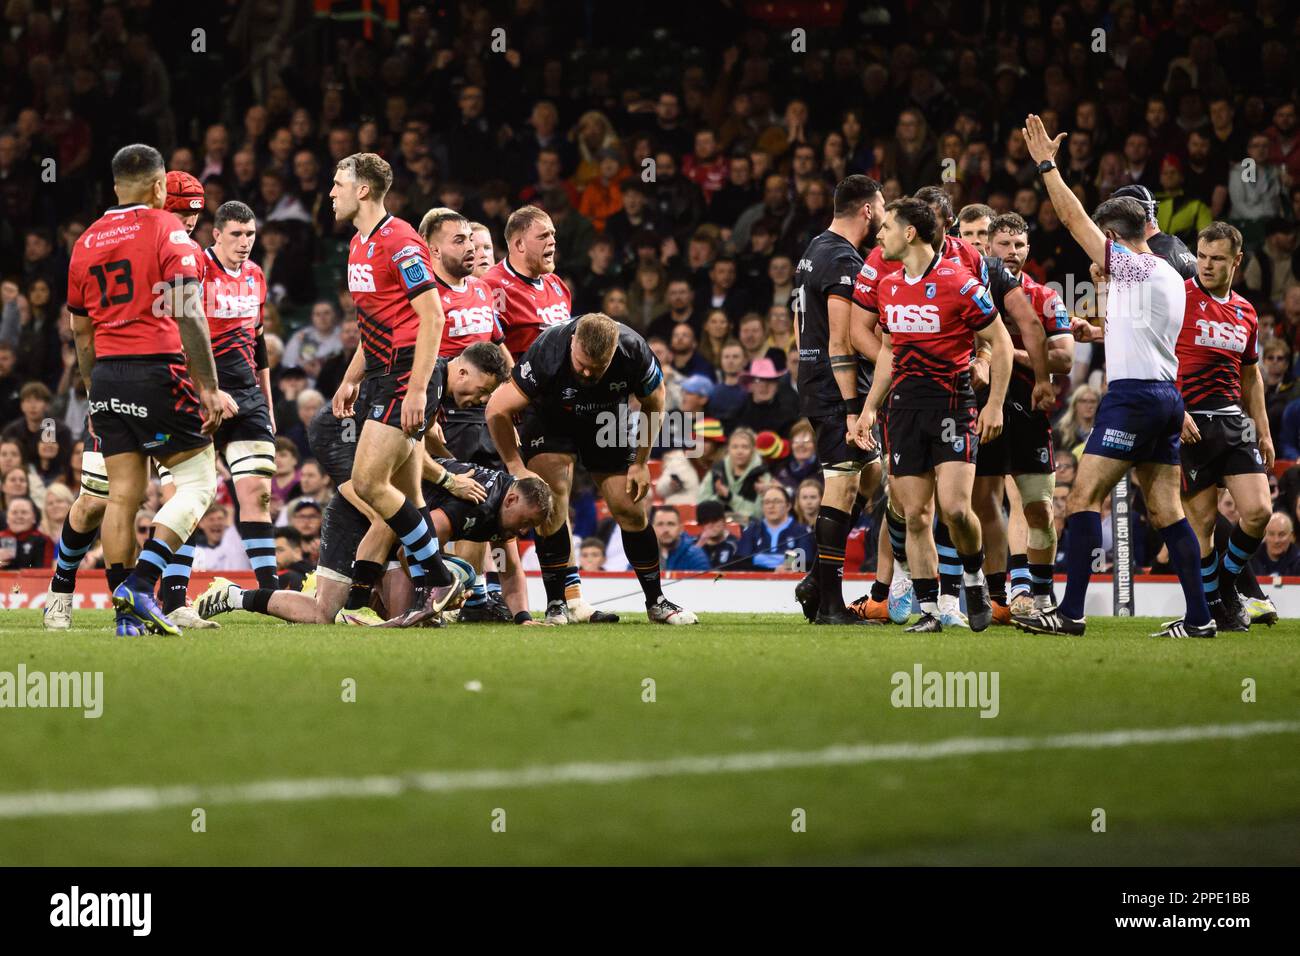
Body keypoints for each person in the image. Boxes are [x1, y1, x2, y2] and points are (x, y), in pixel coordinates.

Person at [1014, 114, 1212, 638]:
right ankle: (1200, 618)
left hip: (1134, 398)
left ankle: (1071, 613)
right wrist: (1097, 331)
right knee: (1167, 508)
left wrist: (1046, 166)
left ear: (1113, 238)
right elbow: (1146, 333)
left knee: (1081, 500)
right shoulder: (1165, 273)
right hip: (1165, 395)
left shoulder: (1135, 266)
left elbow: (1073, 219)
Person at [55, 144, 225, 635]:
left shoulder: (85, 240)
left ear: (114, 185)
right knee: (197, 481)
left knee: (122, 496)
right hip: (157, 369)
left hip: (106, 373)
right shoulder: (165, 227)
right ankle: (142, 585)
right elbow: (187, 308)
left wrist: (94, 391)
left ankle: (125, 615)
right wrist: (208, 386)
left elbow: (80, 331)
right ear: (158, 187)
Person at [855, 197, 1013, 632]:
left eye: (886, 227)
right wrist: (870, 408)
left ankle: (974, 577)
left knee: (956, 509)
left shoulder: (959, 283)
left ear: (909, 234)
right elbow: (888, 351)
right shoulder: (888, 286)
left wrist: (995, 403)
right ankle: (929, 611)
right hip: (904, 410)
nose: (879, 234)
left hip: (952, 405)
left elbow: (998, 342)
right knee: (916, 514)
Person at [486, 312, 697, 624]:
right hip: (551, 421)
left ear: (612, 354)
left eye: (595, 369)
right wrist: (516, 466)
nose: (585, 372)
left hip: (605, 421)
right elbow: (496, 409)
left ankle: (657, 602)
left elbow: (656, 402)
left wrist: (640, 463)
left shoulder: (634, 350)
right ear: (573, 343)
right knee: (553, 498)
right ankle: (556, 603)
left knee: (629, 508)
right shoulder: (549, 348)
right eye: (581, 363)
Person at [328, 151, 465, 627]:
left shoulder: (401, 240)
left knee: (368, 483)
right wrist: (351, 376)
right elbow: (377, 324)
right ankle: (429, 597)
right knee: (412, 497)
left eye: (338, 184)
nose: (332, 192)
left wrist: (417, 390)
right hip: (383, 371)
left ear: (363, 190)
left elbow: (433, 317)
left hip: (409, 374)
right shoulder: (357, 244)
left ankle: (440, 576)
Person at [200, 459, 554, 627]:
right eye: (525, 523)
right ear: (511, 501)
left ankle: (365, 602)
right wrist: (430, 596)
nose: (522, 533)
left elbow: (509, 570)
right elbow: (412, 546)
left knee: (398, 619)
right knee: (325, 612)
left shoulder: (504, 513)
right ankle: (235, 596)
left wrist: (523, 617)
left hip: (387, 525)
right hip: (356, 512)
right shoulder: (474, 503)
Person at [151, 200, 280, 628]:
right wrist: (210, 390)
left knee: (258, 493)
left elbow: (259, 343)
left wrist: (268, 400)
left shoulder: (257, 276)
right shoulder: (194, 270)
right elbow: (172, 335)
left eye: (250, 235)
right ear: (216, 235)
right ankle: (173, 600)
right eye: (237, 235)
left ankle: (273, 597)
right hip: (192, 394)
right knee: (187, 497)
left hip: (247, 396)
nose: (245, 243)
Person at [782, 174, 887, 624]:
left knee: (871, 477)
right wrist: (852, 410)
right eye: (882, 207)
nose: (884, 216)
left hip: (816, 380)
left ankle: (815, 580)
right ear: (868, 209)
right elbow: (842, 341)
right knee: (842, 484)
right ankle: (828, 603)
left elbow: (797, 322)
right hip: (837, 388)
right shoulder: (844, 260)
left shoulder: (813, 251)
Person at [1175, 222, 1274, 631]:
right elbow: (1154, 355)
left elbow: (1251, 376)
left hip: (1232, 419)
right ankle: (1217, 605)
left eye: (1217, 258)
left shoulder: (1246, 311)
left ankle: (1226, 585)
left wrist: (1264, 430)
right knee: (1202, 524)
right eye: (1202, 256)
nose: (1207, 265)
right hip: (1189, 419)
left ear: (1237, 260)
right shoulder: (1178, 297)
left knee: (1258, 512)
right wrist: (1173, 411)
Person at [981, 213, 1076, 618]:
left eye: (1020, 245)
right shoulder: (971, 292)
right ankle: (982, 595)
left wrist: (1005, 352)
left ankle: (1040, 592)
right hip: (981, 408)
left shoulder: (1045, 296)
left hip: (1029, 408)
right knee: (971, 505)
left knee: (1037, 504)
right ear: (988, 247)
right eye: (1004, 244)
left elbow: (1066, 358)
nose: (1013, 253)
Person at [698, 427, 768, 522]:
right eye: (735, 447)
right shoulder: (716, 471)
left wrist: (730, 498)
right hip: (717, 528)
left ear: (753, 450)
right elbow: (701, 507)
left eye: (745, 447)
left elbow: (758, 514)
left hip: (750, 530)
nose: (739, 452)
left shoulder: (762, 475)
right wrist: (720, 498)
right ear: (729, 449)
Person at [736, 485, 814, 571]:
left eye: (777, 502)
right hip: (755, 582)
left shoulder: (802, 531)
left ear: (788, 506)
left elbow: (806, 564)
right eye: (766, 502)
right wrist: (773, 571)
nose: (771, 506)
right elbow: (740, 564)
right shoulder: (751, 530)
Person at [650, 505, 710, 572]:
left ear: (680, 528)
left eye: (671, 524)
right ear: (653, 529)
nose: (665, 530)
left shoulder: (695, 555)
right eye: (660, 524)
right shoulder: (644, 556)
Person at [0, 496, 52, 568]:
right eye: (14, 512)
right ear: (7, 518)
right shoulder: (1, 537)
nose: (19, 516)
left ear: (34, 518)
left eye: (24, 512)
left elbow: (46, 572)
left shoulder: (44, 540)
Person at [694, 499, 741, 568]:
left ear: (723, 521)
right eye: (706, 521)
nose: (710, 525)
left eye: (714, 520)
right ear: (701, 525)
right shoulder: (694, 544)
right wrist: (699, 546)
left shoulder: (735, 546)